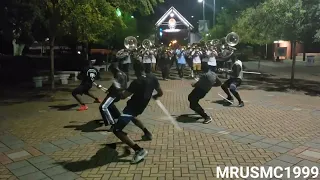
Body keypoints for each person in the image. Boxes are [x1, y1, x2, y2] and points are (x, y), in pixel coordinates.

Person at [113, 61, 163, 164]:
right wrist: (154, 96)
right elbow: (160, 93)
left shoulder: (136, 82)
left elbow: (123, 96)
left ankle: (139, 150)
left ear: (135, 70)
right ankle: (147, 133)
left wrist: (118, 90)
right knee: (133, 117)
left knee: (117, 130)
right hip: (141, 107)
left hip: (132, 107)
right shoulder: (152, 77)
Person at [98, 63, 127, 131]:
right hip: (119, 93)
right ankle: (118, 117)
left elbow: (117, 86)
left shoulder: (117, 75)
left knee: (103, 107)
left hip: (114, 94)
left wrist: (111, 91)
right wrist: (109, 90)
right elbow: (124, 86)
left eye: (111, 70)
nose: (111, 72)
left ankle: (113, 124)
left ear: (114, 69)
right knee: (110, 105)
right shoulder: (123, 73)